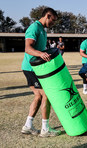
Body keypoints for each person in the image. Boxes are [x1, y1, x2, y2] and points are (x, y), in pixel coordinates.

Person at [21, 7, 61, 137]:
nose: (53, 23)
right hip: (32, 68)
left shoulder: (42, 30)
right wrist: (40, 54)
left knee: (38, 96)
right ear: (47, 16)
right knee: (46, 95)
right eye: (53, 20)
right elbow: (28, 48)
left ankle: (28, 126)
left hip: (35, 68)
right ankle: (45, 129)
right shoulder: (34, 28)